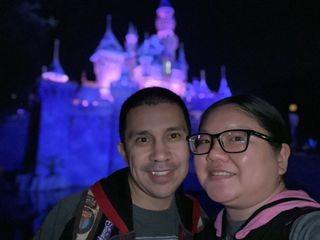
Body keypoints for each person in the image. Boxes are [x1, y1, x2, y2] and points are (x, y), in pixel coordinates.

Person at [34, 87, 209, 240]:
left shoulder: (198, 218)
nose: (160, 155)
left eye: (173, 136)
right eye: (143, 139)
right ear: (123, 152)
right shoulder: (73, 216)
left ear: (190, 145)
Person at [189, 95, 320, 239]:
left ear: (281, 158)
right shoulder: (203, 231)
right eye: (205, 141)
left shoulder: (305, 226)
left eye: (237, 138)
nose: (213, 153)